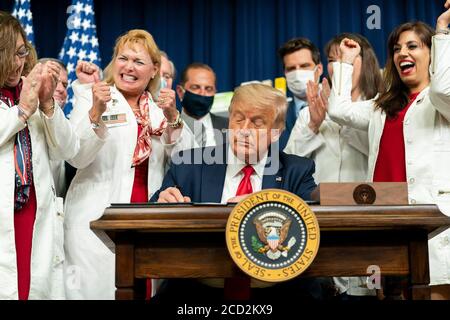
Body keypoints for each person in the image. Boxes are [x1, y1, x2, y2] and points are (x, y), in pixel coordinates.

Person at [327, 1, 450, 300]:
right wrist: (346, 61)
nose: (402, 53)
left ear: (432, 53)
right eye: (396, 48)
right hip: (387, 221)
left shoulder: (440, 103)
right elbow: (338, 109)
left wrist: (443, 31)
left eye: (413, 46)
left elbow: (442, 89)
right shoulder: (382, 105)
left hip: (432, 226)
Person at [151, 83, 321, 300]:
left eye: (257, 123)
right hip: (198, 289)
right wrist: (161, 203)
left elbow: (312, 220)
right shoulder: (189, 165)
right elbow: (154, 208)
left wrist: (266, 206)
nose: (244, 130)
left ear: (276, 133)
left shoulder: (296, 171)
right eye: (238, 119)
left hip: (276, 291)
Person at [63, 29, 192, 300]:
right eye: (123, 58)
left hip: (146, 219)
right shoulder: (93, 97)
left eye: (139, 61)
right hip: (94, 217)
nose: (129, 67)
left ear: (155, 70)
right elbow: (77, 156)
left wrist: (173, 118)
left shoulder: (159, 110)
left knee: (142, 292)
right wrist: (96, 111)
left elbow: (188, 161)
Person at [0, 11, 104, 300]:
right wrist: (21, 111)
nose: (16, 63)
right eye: (8, 54)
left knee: (34, 288)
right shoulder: (22, 100)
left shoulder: (31, 90)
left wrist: (47, 106)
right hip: (3, 213)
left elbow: (68, 150)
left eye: (21, 52)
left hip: (34, 212)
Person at [285, 33, 384, 299]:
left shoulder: (379, 106)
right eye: (332, 59)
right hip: (318, 227)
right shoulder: (309, 112)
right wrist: (313, 126)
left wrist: (339, 115)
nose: (338, 64)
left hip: (367, 224)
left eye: (346, 57)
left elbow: (378, 152)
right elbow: (288, 166)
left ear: (365, 61)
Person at [277, 37, 324, 150]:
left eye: (304, 66)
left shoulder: (335, 106)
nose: (297, 73)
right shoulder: (278, 115)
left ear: (319, 69)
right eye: (291, 68)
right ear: (285, 73)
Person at [38, 58, 70, 198]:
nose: (61, 89)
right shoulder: (14, 118)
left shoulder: (67, 130)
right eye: (54, 81)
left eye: (65, 84)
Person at [176, 63, 228, 148]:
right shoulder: (166, 126)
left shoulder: (229, 126)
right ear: (180, 92)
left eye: (208, 89)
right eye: (195, 87)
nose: (202, 93)